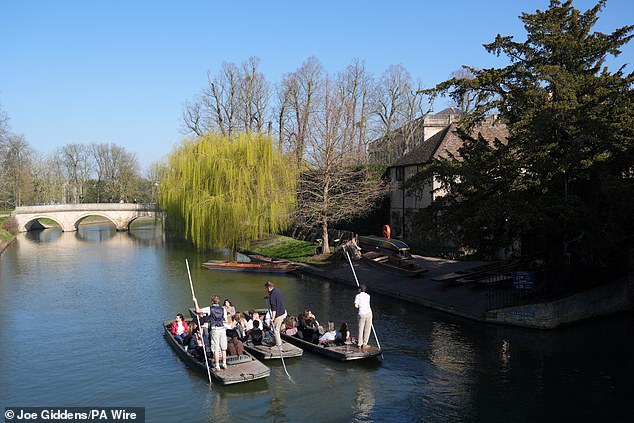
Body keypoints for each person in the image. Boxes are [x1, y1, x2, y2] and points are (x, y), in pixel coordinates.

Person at [194, 294, 227, 370]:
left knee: (215, 348)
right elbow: (225, 320)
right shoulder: (223, 309)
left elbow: (198, 311)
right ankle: (224, 364)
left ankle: (217, 365)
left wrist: (195, 301)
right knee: (223, 348)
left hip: (215, 329)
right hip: (222, 328)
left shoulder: (209, 309)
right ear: (218, 301)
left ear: (212, 301)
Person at [264, 281, 287, 347]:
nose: (266, 290)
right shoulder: (277, 290)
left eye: (266, 288)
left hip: (278, 314)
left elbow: (274, 309)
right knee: (276, 328)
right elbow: (276, 299)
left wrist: (272, 318)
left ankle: (278, 345)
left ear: (268, 287)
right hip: (283, 312)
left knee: (276, 330)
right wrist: (268, 298)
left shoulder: (272, 296)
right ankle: (275, 341)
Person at [354, 284, 373, 348]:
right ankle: (365, 343)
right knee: (367, 329)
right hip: (369, 313)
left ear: (359, 289)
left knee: (360, 329)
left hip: (362, 314)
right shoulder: (368, 296)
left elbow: (356, 306)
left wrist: (360, 306)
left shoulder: (358, 296)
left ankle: (359, 344)